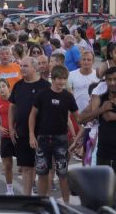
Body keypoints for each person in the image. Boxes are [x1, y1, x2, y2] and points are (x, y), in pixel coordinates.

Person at [28, 65, 79, 203]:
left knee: (63, 174)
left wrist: (77, 137)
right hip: (43, 139)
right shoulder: (42, 94)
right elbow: (32, 115)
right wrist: (32, 135)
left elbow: (77, 117)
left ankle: (66, 204)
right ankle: (42, 203)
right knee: (42, 173)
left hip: (61, 140)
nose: (62, 82)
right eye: (59, 79)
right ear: (53, 79)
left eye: (64, 79)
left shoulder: (68, 96)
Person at [79, 66, 116, 172]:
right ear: (105, 81)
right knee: (103, 188)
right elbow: (80, 119)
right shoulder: (100, 98)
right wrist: (101, 110)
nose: (112, 83)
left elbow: (108, 116)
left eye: (115, 79)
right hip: (104, 153)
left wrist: (111, 116)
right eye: (109, 79)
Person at [0, 79, 15, 195]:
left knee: (25, 165)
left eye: (3, 86)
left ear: (8, 87)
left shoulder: (15, 100)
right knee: (7, 164)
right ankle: (9, 189)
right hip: (5, 137)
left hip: (17, 136)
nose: (2, 89)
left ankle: (31, 186)